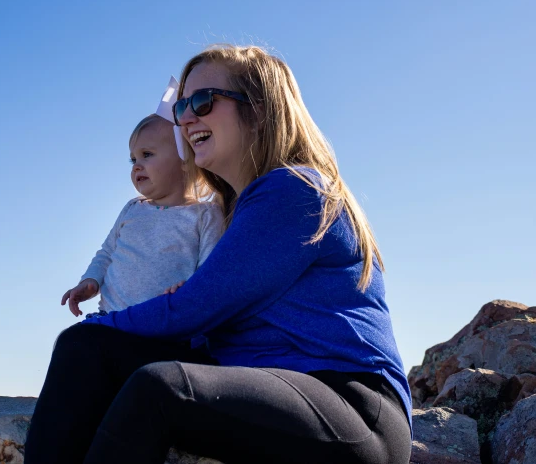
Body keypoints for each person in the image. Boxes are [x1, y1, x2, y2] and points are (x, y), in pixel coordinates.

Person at [26, 45, 413, 464]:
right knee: (84, 347)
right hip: (259, 378)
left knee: (158, 388)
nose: (186, 118)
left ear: (260, 110)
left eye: (203, 102)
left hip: (350, 404)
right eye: (182, 107)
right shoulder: (230, 211)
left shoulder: (294, 189)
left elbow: (196, 309)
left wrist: (111, 319)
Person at [61, 113, 224, 317]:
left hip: (164, 322)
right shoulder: (132, 208)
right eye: (133, 159)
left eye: (147, 154)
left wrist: (189, 290)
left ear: (185, 159)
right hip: (111, 318)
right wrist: (90, 281)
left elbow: (210, 270)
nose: (137, 165)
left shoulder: (204, 215)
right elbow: (107, 253)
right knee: (71, 343)